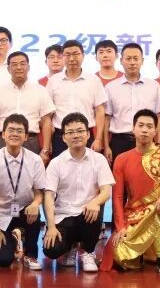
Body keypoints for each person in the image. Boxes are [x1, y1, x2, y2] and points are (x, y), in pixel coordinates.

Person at [103, 109, 160, 275]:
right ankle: (142, 254)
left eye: (149, 126)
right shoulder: (122, 159)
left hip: (159, 209)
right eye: (141, 125)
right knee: (119, 256)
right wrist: (120, 227)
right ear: (133, 129)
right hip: (134, 214)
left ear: (155, 131)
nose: (144, 130)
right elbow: (118, 197)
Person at [42, 112, 114, 272]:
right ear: (63, 137)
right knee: (51, 249)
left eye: (80, 131)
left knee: (94, 210)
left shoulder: (99, 160)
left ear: (88, 134)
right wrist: (51, 226)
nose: (76, 135)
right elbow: (48, 196)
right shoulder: (56, 163)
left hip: (87, 214)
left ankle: (89, 252)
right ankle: (70, 248)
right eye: (70, 132)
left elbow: (106, 191)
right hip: (64, 215)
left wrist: (95, 202)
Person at [0, 114, 46, 270]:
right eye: (11, 130)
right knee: (4, 260)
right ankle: (15, 238)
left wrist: (35, 204)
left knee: (34, 214)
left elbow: (39, 192)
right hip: (1, 213)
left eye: (19, 131)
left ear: (26, 136)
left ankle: (31, 255)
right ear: (3, 134)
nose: (15, 134)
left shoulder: (35, 160)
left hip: (25, 210)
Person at [104, 43, 160, 163]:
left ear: (142, 61)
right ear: (121, 61)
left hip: (148, 142)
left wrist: (159, 144)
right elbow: (107, 119)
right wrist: (106, 146)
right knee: (119, 174)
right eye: (128, 58)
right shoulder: (111, 87)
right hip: (119, 142)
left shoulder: (153, 86)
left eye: (136, 58)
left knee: (146, 175)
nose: (132, 62)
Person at [47, 40, 108, 158]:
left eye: (75, 54)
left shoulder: (93, 80)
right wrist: (48, 141)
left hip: (85, 135)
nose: (72, 58)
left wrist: (98, 139)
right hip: (60, 136)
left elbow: (100, 111)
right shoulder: (54, 80)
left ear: (83, 56)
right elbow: (48, 114)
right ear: (63, 57)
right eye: (67, 54)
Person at [0, 51, 55, 160]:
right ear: (8, 69)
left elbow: (46, 121)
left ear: (28, 67)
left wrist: (45, 149)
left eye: (22, 64)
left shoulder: (40, 90)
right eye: (14, 64)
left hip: (30, 141)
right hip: (3, 141)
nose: (19, 67)